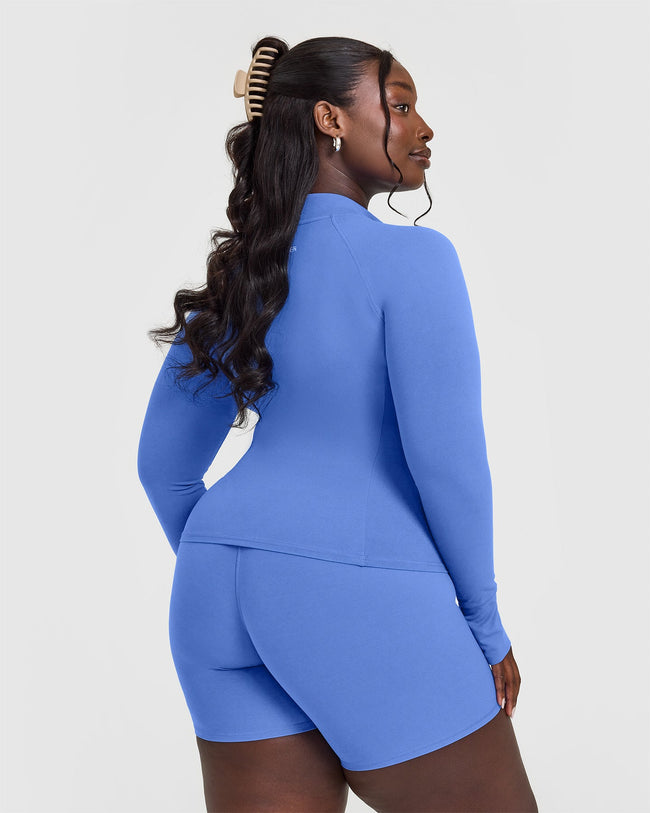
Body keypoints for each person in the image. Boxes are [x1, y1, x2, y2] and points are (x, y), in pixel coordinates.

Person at [137, 34, 538, 813]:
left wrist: (257, 562)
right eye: (400, 105)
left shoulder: (245, 272)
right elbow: (448, 464)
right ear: (330, 120)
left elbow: (163, 468)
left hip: (211, 592)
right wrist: (485, 626)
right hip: (356, 584)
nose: (423, 127)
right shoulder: (414, 261)